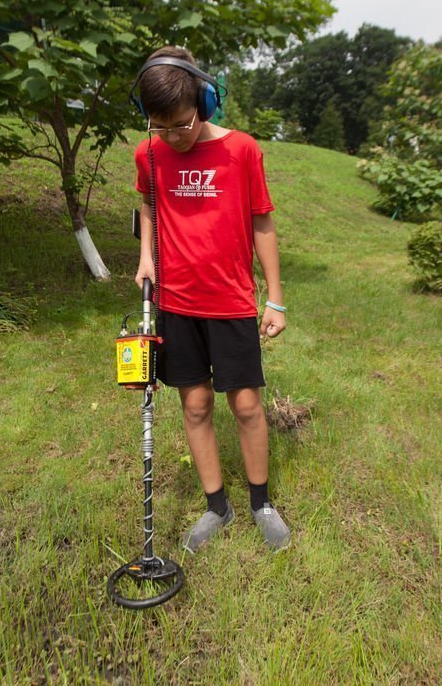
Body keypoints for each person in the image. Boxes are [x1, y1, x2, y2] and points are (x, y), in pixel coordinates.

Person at [132, 46, 291, 553]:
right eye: (162, 127)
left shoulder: (241, 150)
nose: (174, 138)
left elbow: (261, 219)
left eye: (182, 124)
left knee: (246, 405)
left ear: (205, 101)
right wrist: (146, 256)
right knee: (195, 405)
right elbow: (147, 203)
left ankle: (261, 503)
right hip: (177, 303)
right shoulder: (150, 152)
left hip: (231, 302)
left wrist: (276, 298)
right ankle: (215, 505)